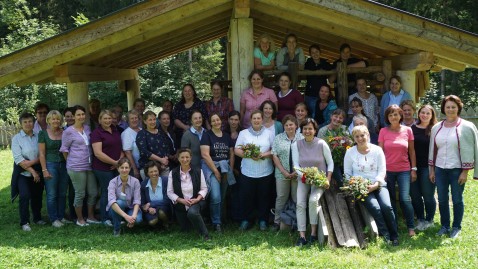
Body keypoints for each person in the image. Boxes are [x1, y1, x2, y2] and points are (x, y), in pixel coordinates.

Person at [429, 95, 478, 239]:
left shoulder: (467, 127)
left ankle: (456, 227)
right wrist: (432, 170)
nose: (450, 109)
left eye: (453, 107)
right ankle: (445, 226)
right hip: (440, 169)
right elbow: (433, 149)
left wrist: (465, 172)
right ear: (444, 108)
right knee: (442, 199)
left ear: (458, 108)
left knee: (457, 198)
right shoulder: (437, 128)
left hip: (457, 169)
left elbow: (471, 149)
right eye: (448, 107)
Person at [344, 125, 399, 246]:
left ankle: (394, 235)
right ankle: (385, 236)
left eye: (362, 135)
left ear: (368, 135)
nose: (360, 138)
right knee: (375, 208)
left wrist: (376, 184)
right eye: (357, 136)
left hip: (378, 184)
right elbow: (347, 174)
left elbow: (382, 170)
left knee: (387, 207)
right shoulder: (350, 152)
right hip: (361, 188)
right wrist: (357, 186)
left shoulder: (377, 150)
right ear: (354, 138)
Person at [293, 118, 333, 246]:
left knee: (313, 201)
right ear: (301, 130)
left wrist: (328, 179)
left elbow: (330, 162)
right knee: (300, 203)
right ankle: (302, 235)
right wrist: (305, 176)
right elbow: (295, 165)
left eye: (310, 128)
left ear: (315, 130)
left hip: (319, 180)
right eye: (305, 129)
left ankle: (313, 233)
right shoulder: (296, 145)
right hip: (303, 179)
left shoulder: (321, 143)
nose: (307, 131)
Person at [378, 104, 417, 237]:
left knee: (405, 198)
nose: (393, 117)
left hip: (404, 170)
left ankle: (411, 226)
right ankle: (394, 226)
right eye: (390, 115)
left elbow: (412, 151)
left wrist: (414, 169)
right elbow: (380, 153)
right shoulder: (383, 131)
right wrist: (381, 172)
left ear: (400, 115)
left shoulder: (408, 130)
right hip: (387, 170)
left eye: (395, 114)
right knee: (391, 199)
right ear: (387, 117)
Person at [234, 110, 274, 231]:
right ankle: (246, 220)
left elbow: (274, 150)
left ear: (262, 120)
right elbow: (236, 150)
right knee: (247, 197)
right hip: (248, 171)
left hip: (265, 171)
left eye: (259, 118)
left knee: (264, 197)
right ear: (250, 120)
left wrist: (263, 155)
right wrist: (249, 155)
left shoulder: (269, 133)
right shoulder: (243, 133)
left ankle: (263, 220)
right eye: (254, 118)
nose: (256, 120)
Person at [60, 105, 99, 227]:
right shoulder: (68, 132)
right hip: (76, 167)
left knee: (93, 192)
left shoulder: (87, 128)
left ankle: (91, 216)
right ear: (74, 116)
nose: (81, 116)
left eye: (83, 114)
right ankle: (80, 219)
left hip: (89, 165)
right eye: (78, 114)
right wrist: (70, 162)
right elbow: (64, 150)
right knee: (80, 193)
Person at [200, 113, 235, 232]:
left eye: (218, 120)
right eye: (213, 121)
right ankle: (216, 223)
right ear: (210, 123)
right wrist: (215, 171)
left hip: (225, 168)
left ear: (221, 121)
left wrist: (230, 169)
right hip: (212, 167)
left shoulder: (226, 136)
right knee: (215, 196)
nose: (216, 122)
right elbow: (205, 154)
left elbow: (231, 153)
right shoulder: (207, 135)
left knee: (223, 196)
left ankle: (220, 219)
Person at [12, 112, 45, 231]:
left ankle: (37, 218)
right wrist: (33, 172)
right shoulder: (16, 139)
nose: (28, 124)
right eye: (25, 122)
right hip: (23, 172)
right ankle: (24, 222)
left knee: (37, 195)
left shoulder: (39, 135)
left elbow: (42, 154)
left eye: (30, 121)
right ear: (21, 124)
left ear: (33, 123)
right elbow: (19, 159)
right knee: (25, 195)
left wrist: (33, 164)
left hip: (37, 168)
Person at [167, 148, 210, 240]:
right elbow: (169, 192)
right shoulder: (173, 173)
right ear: (178, 158)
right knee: (186, 229)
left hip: (196, 202)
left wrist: (197, 199)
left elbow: (204, 188)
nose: (185, 159)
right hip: (181, 205)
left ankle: (205, 236)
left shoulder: (198, 171)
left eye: (187, 157)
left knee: (192, 213)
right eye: (182, 157)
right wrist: (181, 200)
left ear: (191, 158)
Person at [91, 109, 124, 226]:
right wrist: (114, 163)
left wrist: (118, 162)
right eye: (105, 118)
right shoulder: (96, 133)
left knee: (116, 191)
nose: (107, 120)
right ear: (100, 120)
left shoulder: (115, 130)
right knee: (107, 191)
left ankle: (114, 215)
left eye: (109, 118)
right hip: (102, 168)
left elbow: (120, 148)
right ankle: (105, 218)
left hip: (116, 166)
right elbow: (98, 153)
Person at [271, 115, 303, 230]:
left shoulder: (301, 138)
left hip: (297, 174)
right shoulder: (278, 138)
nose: (289, 127)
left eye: (291, 124)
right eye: (286, 125)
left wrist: (296, 171)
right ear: (283, 126)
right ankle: (277, 222)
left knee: (297, 198)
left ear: (296, 125)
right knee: (281, 198)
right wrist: (284, 172)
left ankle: (297, 222)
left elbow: (305, 155)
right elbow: (274, 155)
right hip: (281, 174)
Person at [38, 110, 68, 228]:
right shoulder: (43, 133)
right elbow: (41, 153)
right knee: (51, 194)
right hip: (50, 164)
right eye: (53, 119)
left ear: (60, 120)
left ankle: (61, 216)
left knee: (62, 192)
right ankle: (54, 218)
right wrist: (44, 170)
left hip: (64, 165)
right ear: (48, 120)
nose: (55, 121)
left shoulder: (65, 132)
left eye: (57, 119)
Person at [411, 105, 437, 231]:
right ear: (419, 113)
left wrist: (434, 168)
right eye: (422, 112)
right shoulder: (412, 129)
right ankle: (420, 219)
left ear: (432, 116)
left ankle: (429, 219)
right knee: (415, 195)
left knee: (428, 195)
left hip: (429, 167)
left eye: (428, 113)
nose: (425, 115)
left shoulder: (435, 129)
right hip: (414, 166)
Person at [106, 158, 142, 236]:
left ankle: (129, 221)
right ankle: (117, 228)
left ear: (130, 168)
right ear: (118, 169)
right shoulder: (112, 182)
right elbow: (112, 202)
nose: (124, 170)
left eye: (126, 167)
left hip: (130, 207)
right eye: (122, 167)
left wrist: (133, 217)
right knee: (119, 202)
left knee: (138, 219)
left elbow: (137, 201)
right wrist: (126, 217)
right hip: (115, 209)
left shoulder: (135, 182)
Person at [317, 109, 348, 187]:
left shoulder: (345, 129)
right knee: (340, 180)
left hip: (344, 159)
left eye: (340, 118)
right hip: (329, 161)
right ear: (331, 116)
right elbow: (319, 149)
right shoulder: (323, 131)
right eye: (336, 116)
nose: (337, 119)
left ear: (343, 120)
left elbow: (349, 144)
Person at [136, 111, 171, 178]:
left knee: (165, 187)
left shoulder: (161, 132)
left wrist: (164, 161)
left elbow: (167, 148)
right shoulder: (141, 134)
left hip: (163, 168)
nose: (153, 122)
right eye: (150, 120)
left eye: (154, 119)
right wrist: (161, 160)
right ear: (145, 121)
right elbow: (144, 152)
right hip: (149, 169)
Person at [304, 44, 333, 118]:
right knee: (311, 114)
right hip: (310, 94)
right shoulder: (308, 63)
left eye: (316, 52)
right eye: (313, 53)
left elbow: (332, 69)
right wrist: (319, 71)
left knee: (323, 114)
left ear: (320, 52)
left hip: (322, 95)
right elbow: (307, 69)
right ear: (310, 54)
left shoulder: (325, 63)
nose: (315, 54)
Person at [224, 110, 243, 222]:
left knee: (239, 192)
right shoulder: (223, 133)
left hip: (241, 167)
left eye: (236, 119)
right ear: (228, 120)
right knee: (228, 192)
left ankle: (238, 217)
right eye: (231, 119)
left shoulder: (243, 133)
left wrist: (237, 169)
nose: (233, 122)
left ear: (239, 121)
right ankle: (228, 217)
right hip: (227, 166)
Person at [141, 161, 171, 228]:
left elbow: (168, 200)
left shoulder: (165, 181)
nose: (154, 173)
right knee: (152, 222)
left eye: (155, 171)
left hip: (164, 207)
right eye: (151, 172)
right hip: (150, 209)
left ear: (159, 171)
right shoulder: (143, 184)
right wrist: (148, 209)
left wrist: (151, 204)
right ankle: (158, 225)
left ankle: (166, 223)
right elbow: (142, 203)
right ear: (147, 173)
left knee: (161, 212)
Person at [121, 109, 142, 179]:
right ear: (128, 120)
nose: (134, 120)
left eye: (136, 118)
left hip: (145, 165)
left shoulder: (142, 130)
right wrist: (135, 169)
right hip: (135, 167)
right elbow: (127, 152)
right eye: (132, 118)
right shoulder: (126, 133)